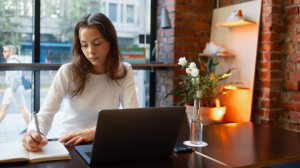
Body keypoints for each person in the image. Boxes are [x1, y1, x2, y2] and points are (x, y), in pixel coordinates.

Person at [22, 13, 139, 152]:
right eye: (84, 45)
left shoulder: (124, 70)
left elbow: (132, 117)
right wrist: (35, 133)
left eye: (97, 43)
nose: (90, 51)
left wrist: (96, 132)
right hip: (71, 145)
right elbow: (46, 113)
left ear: (110, 42)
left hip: (106, 143)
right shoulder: (68, 72)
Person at [0, 45, 30, 134]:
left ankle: (29, 127)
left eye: (5, 51)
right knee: (4, 107)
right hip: (11, 89)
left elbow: (15, 78)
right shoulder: (14, 60)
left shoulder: (12, 61)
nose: (3, 53)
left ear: (10, 52)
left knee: (22, 108)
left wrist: (13, 90)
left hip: (14, 89)